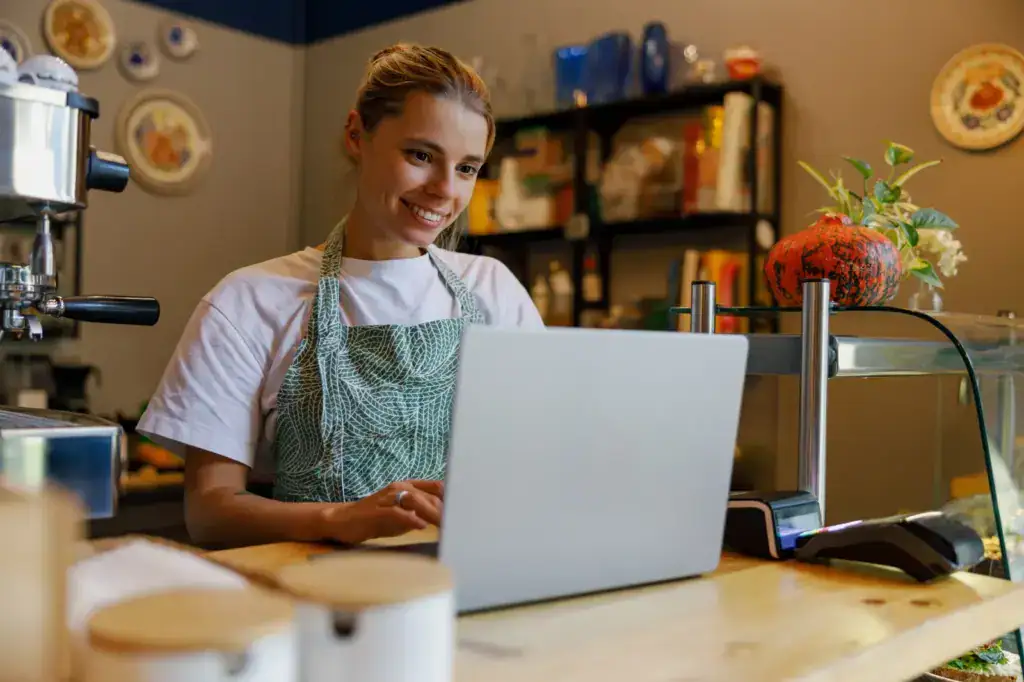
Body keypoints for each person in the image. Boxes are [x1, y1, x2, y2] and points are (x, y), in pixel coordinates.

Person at [138, 43, 544, 549]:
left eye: (466, 168)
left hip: (469, 589)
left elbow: (541, 462)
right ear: (357, 135)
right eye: (421, 155)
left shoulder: (494, 291)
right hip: (317, 599)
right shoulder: (247, 302)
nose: (445, 190)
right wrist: (335, 518)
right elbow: (210, 511)